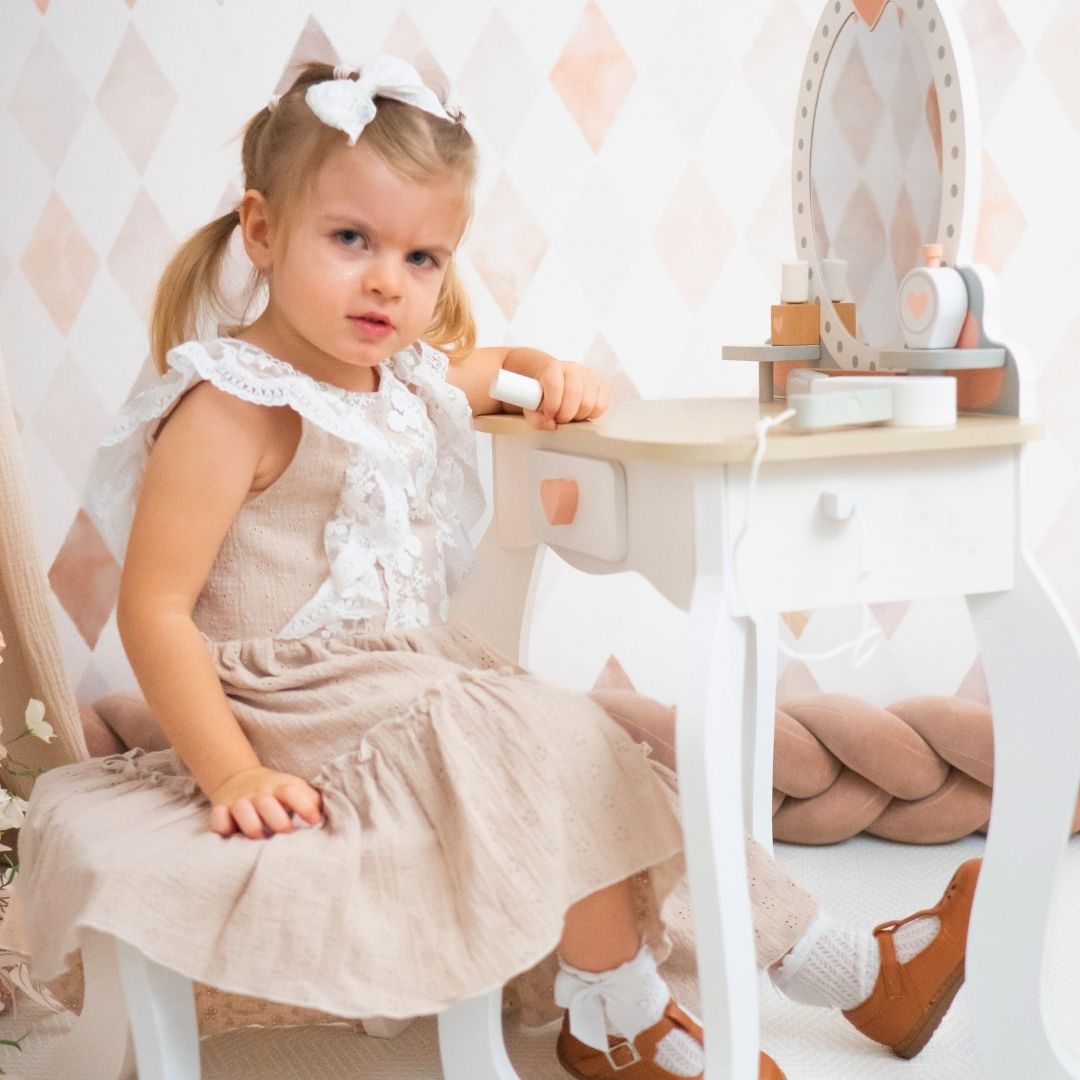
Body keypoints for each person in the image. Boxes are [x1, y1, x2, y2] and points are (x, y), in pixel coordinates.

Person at [19, 57, 978, 1080]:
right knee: (552, 741)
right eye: (352, 240)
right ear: (262, 230)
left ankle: (776, 986)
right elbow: (155, 609)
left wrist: (545, 372)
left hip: (404, 687)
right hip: (293, 705)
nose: (391, 280)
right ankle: (665, 1004)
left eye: (425, 256)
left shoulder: (395, 378)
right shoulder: (230, 405)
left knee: (596, 750)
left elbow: (483, 373)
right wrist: (232, 770)